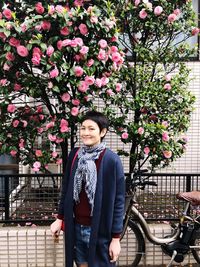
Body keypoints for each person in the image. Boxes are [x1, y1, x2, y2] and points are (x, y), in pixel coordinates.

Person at [50, 110, 125, 267]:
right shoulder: (75, 155)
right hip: (75, 227)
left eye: (91, 128)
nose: (85, 132)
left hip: (99, 231)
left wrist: (116, 239)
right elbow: (67, 190)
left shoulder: (111, 160)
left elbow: (118, 201)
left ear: (102, 131)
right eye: (83, 128)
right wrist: (60, 218)